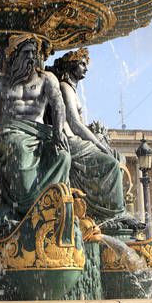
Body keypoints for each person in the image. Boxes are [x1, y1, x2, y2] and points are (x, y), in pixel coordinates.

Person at [0, 34, 71, 221]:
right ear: (14, 55)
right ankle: (23, 209)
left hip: (40, 133)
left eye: (34, 53)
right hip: (12, 132)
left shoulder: (46, 79)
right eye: (26, 53)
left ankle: (51, 208)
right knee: (21, 154)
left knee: (63, 156)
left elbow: (58, 104)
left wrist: (58, 131)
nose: (31, 57)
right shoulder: (0, 82)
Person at [47, 48, 137, 228]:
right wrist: (97, 144)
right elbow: (74, 123)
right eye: (82, 64)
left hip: (75, 139)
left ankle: (102, 207)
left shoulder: (71, 88)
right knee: (110, 163)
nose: (86, 68)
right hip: (69, 141)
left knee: (118, 157)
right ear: (71, 65)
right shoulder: (65, 88)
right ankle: (113, 213)